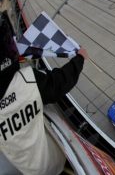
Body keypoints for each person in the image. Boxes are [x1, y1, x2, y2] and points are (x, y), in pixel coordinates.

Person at [0, 11, 88, 175]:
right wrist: (79, 59)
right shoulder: (28, 79)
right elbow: (60, 82)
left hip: (25, 171)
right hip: (55, 163)